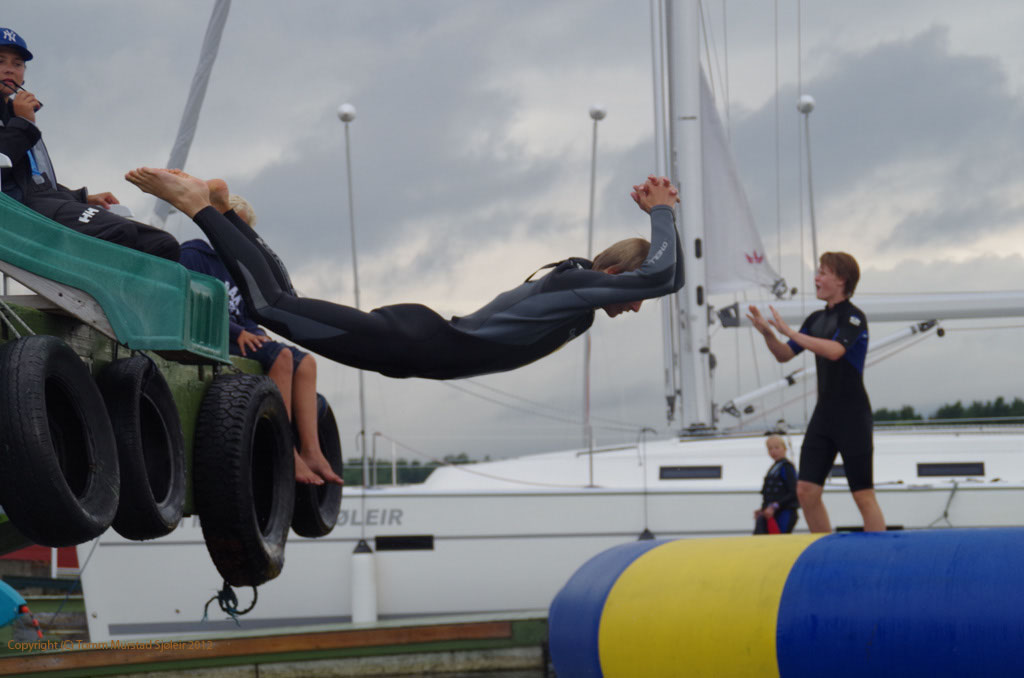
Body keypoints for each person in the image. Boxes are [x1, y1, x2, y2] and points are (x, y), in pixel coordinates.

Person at [124, 168, 684, 379]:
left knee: (283, 300)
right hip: (415, 343)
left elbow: (657, 279)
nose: (636, 305)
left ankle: (223, 212)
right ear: (614, 271)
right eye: (632, 293)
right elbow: (665, 277)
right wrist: (662, 212)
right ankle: (196, 206)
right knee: (272, 307)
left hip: (416, 347)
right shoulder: (578, 286)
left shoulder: (575, 297)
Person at [178, 191, 341, 487]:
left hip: (243, 336)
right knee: (282, 357)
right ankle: (287, 450)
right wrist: (237, 332)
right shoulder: (194, 255)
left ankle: (312, 450)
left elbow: (249, 311)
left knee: (306, 362)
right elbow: (190, 303)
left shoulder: (239, 265)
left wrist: (254, 331)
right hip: (212, 335)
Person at [0, 28, 178, 260]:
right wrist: (24, 124)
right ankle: (78, 282)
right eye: (1, 61)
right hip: (17, 213)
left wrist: (81, 198)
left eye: (18, 64)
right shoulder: (23, 120)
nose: (10, 69)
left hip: (47, 203)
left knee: (162, 244)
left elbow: (33, 182)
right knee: (117, 231)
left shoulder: (17, 113)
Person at [747, 252, 885, 533]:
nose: (816, 278)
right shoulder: (815, 319)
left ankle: (881, 551)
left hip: (852, 415)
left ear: (841, 279)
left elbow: (835, 351)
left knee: (862, 494)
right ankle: (824, 546)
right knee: (806, 491)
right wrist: (769, 333)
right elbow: (785, 354)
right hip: (824, 416)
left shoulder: (854, 317)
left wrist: (790, 331)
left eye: (823, 273)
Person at [753, 436, 799, 534]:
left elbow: (793, 492)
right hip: (770, 514)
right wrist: (763, 509)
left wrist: (774, 506)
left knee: (779, 538)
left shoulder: (787, 467)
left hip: (784, 512)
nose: (773, 451)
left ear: (784, 449)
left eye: (777, 448)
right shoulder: (773, 468)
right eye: (770, 449)